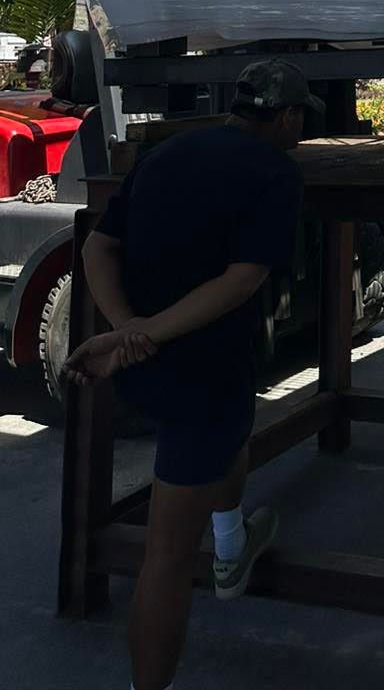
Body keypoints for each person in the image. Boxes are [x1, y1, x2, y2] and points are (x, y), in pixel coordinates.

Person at [63, 59, 315, 690]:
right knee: (168, 557)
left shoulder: (166, 154)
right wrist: (140, 334)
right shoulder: (276, 172)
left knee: (235, 427)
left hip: (152, 371)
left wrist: (125, 328)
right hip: (198, 376)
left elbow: (98, 245)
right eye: (300, 119)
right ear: (286, 117)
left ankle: (232, 551)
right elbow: (242, 280)